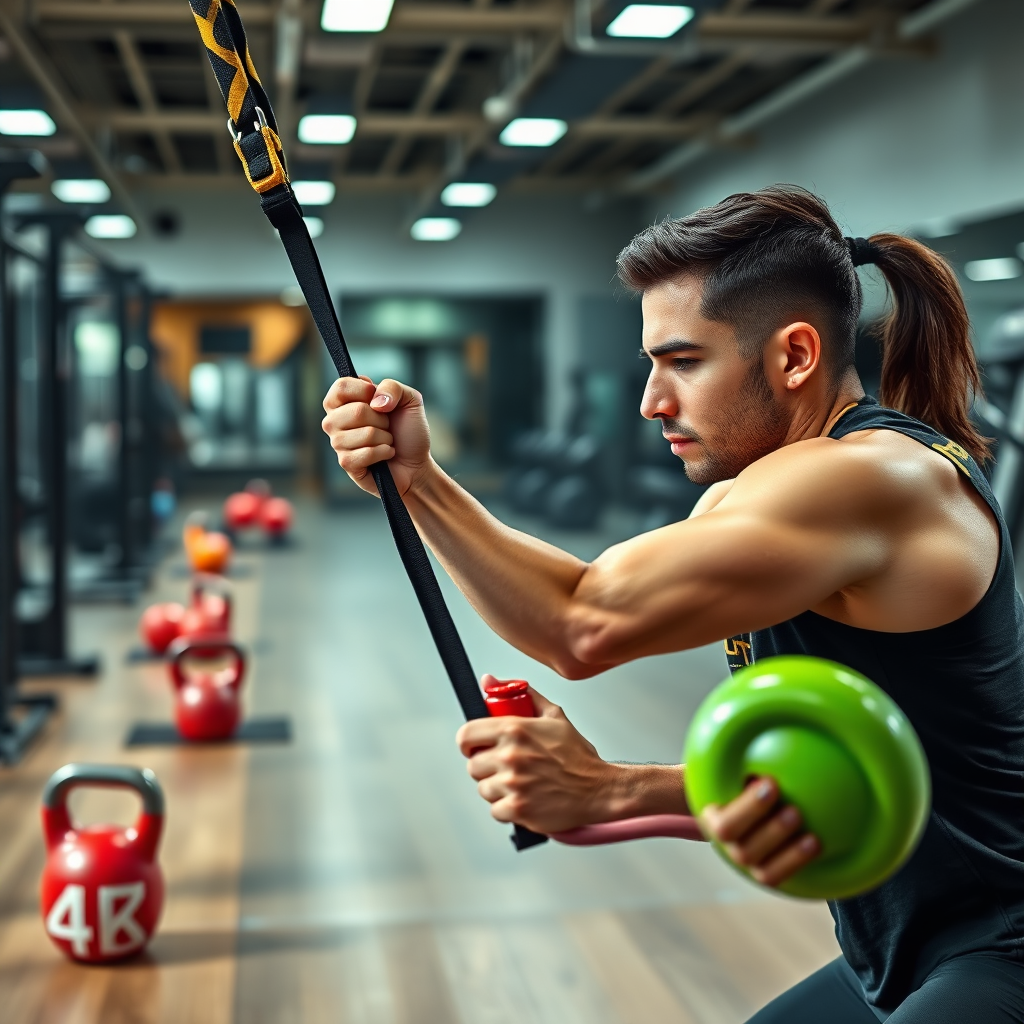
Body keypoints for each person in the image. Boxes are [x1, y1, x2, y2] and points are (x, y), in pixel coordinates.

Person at [322, 186, 1024, 1022]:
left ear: (794, 356)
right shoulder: (757, 497)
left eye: (683, 362)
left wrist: (419, 482)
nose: (653, 400)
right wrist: (610, 792)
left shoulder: (869, 478)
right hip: (900, 955)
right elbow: (824, 782)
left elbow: (579, 624)